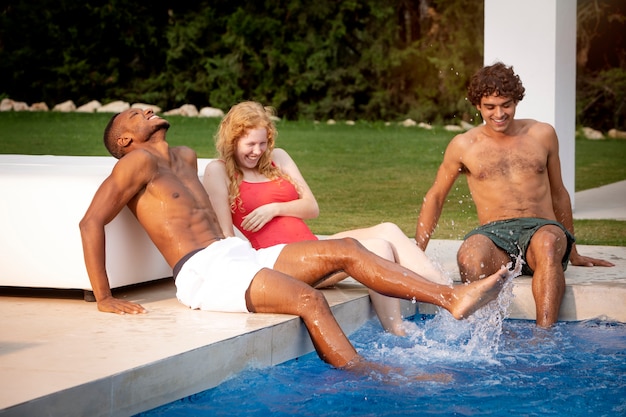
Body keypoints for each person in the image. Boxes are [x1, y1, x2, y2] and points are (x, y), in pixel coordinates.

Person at [80, 108, 507, 375]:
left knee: (350, 250)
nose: (148, 110)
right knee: (308, 300)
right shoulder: (134, 163)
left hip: (235, 255)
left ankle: (450, 297)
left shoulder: (185, 156)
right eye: (136, 115)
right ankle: (368, 373)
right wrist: (103, 296)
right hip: (202, 272)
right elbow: (91, 222)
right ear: (124, 140)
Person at [202, 101, 449, 336]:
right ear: (233, 140)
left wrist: (274, 209)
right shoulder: (219, 170)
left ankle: (448, 291)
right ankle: (397, 329)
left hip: (312, 247)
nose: (258, 151)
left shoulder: (279, 158)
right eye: (250, 144)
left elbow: (312, 207)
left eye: (263, 143)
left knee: (388, 230)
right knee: (378, 248)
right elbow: (226, 235)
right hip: (282, 262)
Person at [414, 62, 615, 328]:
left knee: (546, 245)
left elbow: (558, 193)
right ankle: (485, 333)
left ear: (516, 101)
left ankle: (544, 338)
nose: (499, 113)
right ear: (477, 106)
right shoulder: (464, 145)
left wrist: (573, 250)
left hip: (542, 229)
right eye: (490, 107)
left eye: (506, 104)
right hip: (495, 236)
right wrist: (416, 254)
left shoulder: (542, 134)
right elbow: (436, 197)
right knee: (469, 255)